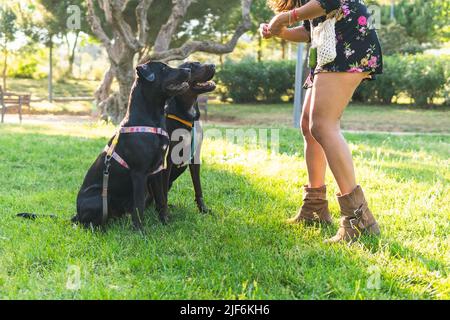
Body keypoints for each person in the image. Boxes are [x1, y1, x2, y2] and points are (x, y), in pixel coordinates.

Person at [261, 0, 383, 242]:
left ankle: (358, 220)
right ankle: (314, 208)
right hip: (328, 47)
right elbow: (310, 30)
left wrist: (285, 18)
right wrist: (282, 31)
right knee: (309, 126)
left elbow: (329, 2)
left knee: (323, 125)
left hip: (348, 41)